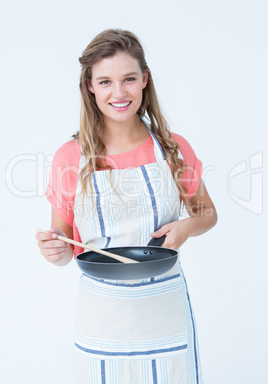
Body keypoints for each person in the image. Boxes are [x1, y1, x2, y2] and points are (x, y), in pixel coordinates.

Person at [36, 29, 217, 383]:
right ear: (89, 86)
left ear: (144, 81)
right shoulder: (70, 157)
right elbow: (64, 244)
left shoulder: (171, 149)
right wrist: (54, 247)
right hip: (101, 319)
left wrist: (186, 227)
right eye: (105, 81)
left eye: (129, 79)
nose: (118, 93)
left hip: (165, 313)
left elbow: (207, 213)